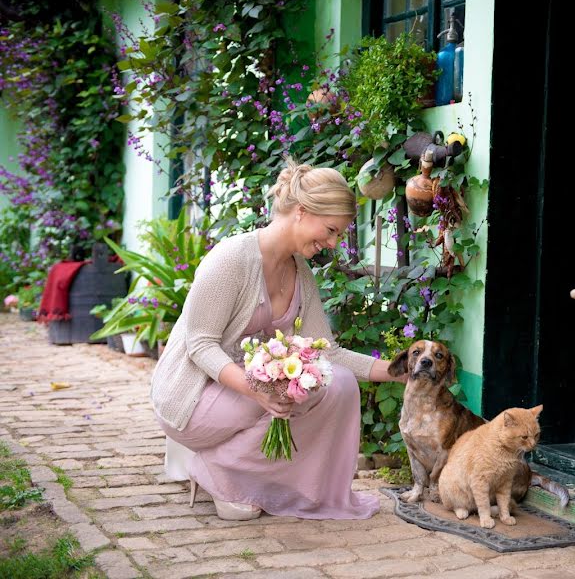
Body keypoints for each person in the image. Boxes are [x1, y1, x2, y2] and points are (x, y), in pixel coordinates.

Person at [151, 158, 407, 521]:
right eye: (331, 230)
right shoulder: (230, 259)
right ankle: (219, 474)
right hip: (191, 398)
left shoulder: (300, 272)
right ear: (301, 211)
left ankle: (226, 469)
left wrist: (399, 370)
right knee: (290, 389)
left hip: (246, 393)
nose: (333, 243)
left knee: (338, 384)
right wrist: (256, 388)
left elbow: (327, 352)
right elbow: (200, 345)